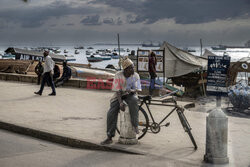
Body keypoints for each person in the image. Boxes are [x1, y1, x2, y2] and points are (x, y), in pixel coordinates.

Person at [101, 58, 142, 145]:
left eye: (133, 67)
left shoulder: (135, 75)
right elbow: (118, 90)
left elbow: (138, 88)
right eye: (131, 68)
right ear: (126, 69)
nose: (133, 69)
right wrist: (120, 103)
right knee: (111, 113)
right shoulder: (118, 75)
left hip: (130, 95)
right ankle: (109, 136)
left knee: (134, 101)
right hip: (119, 96)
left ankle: (135, 125)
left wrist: (133, 90)